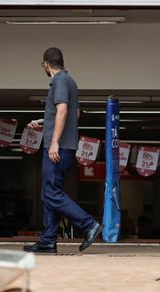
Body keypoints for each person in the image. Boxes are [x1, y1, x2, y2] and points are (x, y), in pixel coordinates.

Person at [24, 47, 102, 254]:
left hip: (58, 146)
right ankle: (48, 240)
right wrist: (44, 122)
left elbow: (63, 111)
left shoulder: (59, 81)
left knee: (50, 192)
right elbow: (73, 115)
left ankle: (88, 224)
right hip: (66, 145)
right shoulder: (71, 82)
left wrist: (54, 141)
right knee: (51, 192)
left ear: (46, 64)